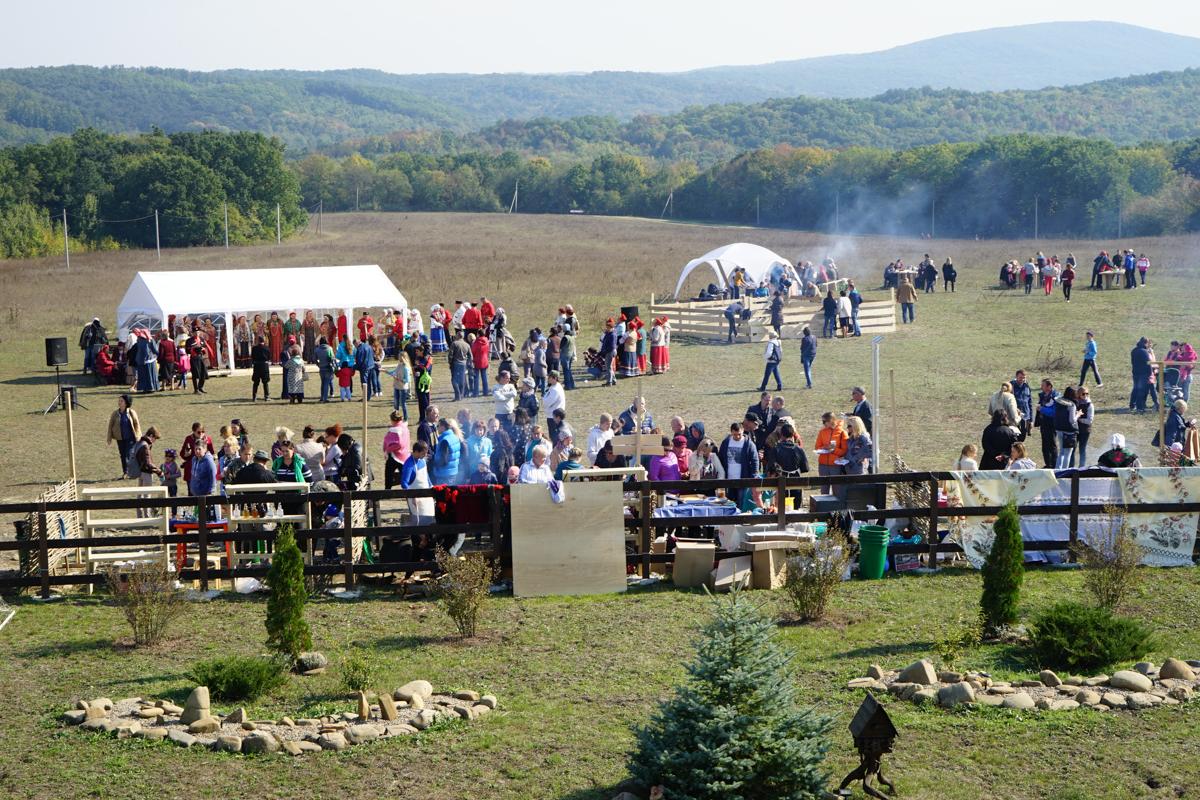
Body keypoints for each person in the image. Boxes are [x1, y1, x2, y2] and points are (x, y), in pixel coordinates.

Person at [718, 422, 759, 505]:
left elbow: (755, 461)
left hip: (743, 480)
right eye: (734, 434)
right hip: (728, 480)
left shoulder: (749, 445)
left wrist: (754, 476)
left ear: (743, 431)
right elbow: (721, 459)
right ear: (731, 432)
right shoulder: (725, 443)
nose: (737, 436)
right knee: (728, 504)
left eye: (739, 434)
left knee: (741, 503)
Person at [106, 394, 142, 477]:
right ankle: (125, 472)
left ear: (126, 403)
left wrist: (138, 436)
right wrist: (109, 438)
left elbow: (137, 425)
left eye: (121, 401)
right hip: (120, 438)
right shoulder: (115, 413)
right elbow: (110, 426)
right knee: (122, 455)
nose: (119, 402)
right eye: (119, 400)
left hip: (130, 438)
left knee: (128, 454)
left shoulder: (131, 412)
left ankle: (131, 472)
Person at [814, 411, 848, 492]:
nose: (823, 423)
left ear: (831, 420)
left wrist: (833, 450)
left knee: (836, 489)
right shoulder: (822, 432)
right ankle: (823, 505)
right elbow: (817, 447)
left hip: (835, 465)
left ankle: (837, 504)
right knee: (824, 489)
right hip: (823, 465)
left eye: (824, 421)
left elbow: (844, 451)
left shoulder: (842, 432)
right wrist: (824, 447)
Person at [382, 410, 412, 489]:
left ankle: (387, 491)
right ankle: (408, 492)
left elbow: (398, 444)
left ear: (392, 420)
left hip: (395, 456)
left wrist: (387, 450)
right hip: (405, 455)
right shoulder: (405, 428)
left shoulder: (395, 430)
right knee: (404, 476)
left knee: (389, 474)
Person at [1053, 386, 1080, 469]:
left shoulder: (1059, 401)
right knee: (1067, 453)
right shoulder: (1072, 405)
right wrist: (1078, 414)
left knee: (1061, 452)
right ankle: (1065, 471)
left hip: (1059, 429)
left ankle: (1057, 470)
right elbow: (1072, 420)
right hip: (1069, 432)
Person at [1034, 379, 1059, 467]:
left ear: (1049, 387)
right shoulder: (1043, 395)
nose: (1041, 387)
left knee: (1052, 445)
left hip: (1052, 424)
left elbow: (1054, 412)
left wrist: (1041, 409)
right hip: (1043, 423)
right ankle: (1047, 464)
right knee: (1044, 445)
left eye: (1043, 385)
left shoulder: (1056, 397)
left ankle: (1054, 465)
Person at [432, 418, 462, 485]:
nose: (437, 428)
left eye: (438, 426)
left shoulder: (444, 441)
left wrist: (432, 462)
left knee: (442, 495)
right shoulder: (455, 437)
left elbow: (443, 461)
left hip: (444, 475)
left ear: (443, 427)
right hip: (453, 473)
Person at [842, 415, 871, 480]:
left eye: (849, 426)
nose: (847, 427)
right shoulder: (851, 437)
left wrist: (861, 458)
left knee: (859, 488)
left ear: (856, 426)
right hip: (849, 468)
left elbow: (871, 451)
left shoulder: (863, 437)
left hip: (859, 469)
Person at [1130, 337, 1153, 413]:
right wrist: (1150, 373)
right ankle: (1140, 407)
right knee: (1141, 390)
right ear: (1145, 343)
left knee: (1135, 389)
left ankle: (1132, 405)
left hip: (1135, 373)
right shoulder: (1144, 351)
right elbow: (1148, 363)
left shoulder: (1134, 350)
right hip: (1143, 374)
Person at [1074, 386, 1094, 466]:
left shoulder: (1090, 405)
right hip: (1075, 429)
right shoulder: (1075, 403)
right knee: (1072, 449)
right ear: (1079, 394)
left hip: (1085, 430)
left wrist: (1079, 419)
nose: (1085, 395)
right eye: (1083, 393)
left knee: (1082, 449)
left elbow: (1090, 420)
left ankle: (1082, 467)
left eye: (1087, 393)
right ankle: (1071, 467)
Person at [543, 371, 566, 436]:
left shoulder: (555, 390)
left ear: (555, 378)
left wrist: (543, 399)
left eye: (550, 377)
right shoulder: (555, 386)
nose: (548, 379)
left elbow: (547, 402)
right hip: (555, 415)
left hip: (553, 417)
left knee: (554, 436)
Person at [1012, 370, 1033, 439]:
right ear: (1016, 377)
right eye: (1020, 377)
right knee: (1014, 436)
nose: (1022, 379)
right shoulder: (1011, 386)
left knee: (1023, 437)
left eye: (1024, 378)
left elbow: (1030, 403)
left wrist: (1031, 419)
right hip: (1014, 416)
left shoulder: (1027, 387)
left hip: (1025, 416)